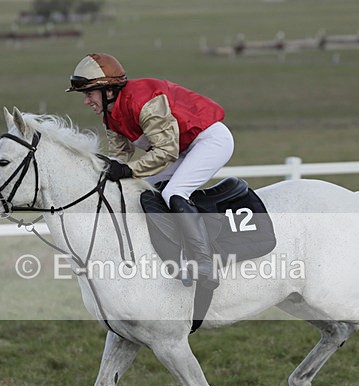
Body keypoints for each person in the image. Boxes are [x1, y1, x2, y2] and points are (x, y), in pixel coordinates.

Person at [66, 52, 234, 290]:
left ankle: (204, 262)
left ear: (108, 91)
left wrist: (127, 170)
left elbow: (166, 151)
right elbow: (119, 156)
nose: (86, 101)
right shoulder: (110, 115)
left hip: (210, 140)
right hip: (183, 148)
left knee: (174, 192)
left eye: (89, 94)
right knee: (142, 191)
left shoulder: (144, 101)